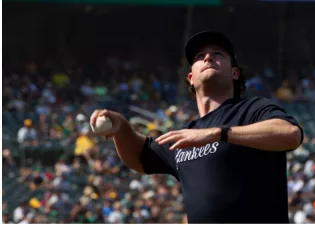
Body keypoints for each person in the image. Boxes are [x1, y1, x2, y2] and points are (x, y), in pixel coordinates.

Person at [90, 31, 303, 223]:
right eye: (200, 57)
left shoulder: (253, 109)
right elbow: (140, 157)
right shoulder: (185, 135)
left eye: (218, 54)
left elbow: (290, 134)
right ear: (191, 78)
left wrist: (220, 133)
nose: (208, 57)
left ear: (234, 73)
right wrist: (121, 127)